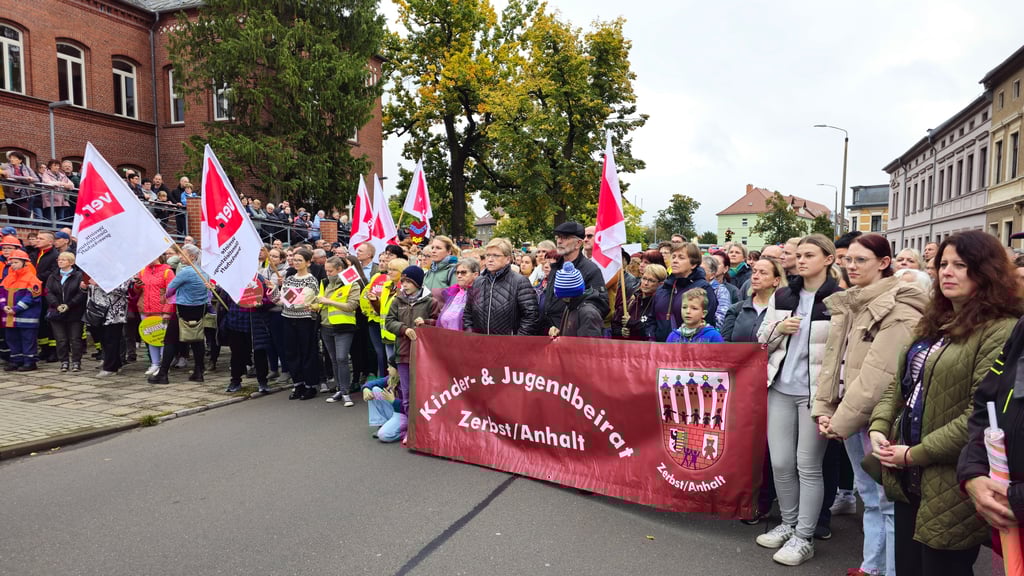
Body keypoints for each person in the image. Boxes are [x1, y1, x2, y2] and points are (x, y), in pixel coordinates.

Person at [869, 230, 1021, 576]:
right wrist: (879, 427)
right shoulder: (936, 319)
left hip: (951, 476)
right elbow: (901, 383)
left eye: (961, 265)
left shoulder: (1002, 328)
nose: (947, 272)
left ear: (987, 271)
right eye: (943, 264)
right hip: (908, 474)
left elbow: (980, 413)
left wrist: (914, 453)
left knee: (942, 566)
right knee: (908, 565)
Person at [814, 233, 928, 576]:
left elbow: (879, 374)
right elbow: (835, 362)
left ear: (884, 263)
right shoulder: (854, 301)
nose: (851, 266)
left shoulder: (900, 307)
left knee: (887, 499)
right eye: (848, 259)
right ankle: (872, 566)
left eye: (861, 260)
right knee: (869, 494)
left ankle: (890, 570)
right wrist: (825, 408)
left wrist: (839, 418)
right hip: (851, 413)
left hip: (879, 418)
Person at [755, 234, 841, 567]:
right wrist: (779, 328)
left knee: (808, 465)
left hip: (815, 396)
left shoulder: (839, 299)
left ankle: (804, 536)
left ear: (828, 259)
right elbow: (762, 339)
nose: (801, 260)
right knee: (780, 463)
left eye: (809, 255)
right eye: (799, 255)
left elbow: (844, 353)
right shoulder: (783, 294)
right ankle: (788, 524)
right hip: (779, 388)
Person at [385, 265, 440, 417]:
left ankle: (424, 427)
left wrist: (426, 322)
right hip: (403, 354)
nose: (404, 285)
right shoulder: (397, 301)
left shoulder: (431, 302)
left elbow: (438, 323)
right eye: (403, 281)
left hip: (424, 356)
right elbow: (389, 322)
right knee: (407, 393)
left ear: (418, 283)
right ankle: (411, 429)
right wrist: (403, 329)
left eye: (408, 282)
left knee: (424, 392)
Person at [149, 245, 209, 384]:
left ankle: (163, 373)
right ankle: (199, 372)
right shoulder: (203, 272)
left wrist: (168, 295)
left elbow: (170, 288)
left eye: (183, 254)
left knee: (170, 340)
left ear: (192, 257)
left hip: (184, 309)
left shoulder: (186, 272)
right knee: (196, 340)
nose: (180, 256)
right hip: (199, 309)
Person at [540, 222, 609, 335]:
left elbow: (601, 305)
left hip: (572, 336)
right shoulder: (556, 267)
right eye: (558, 237)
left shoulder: (591, 270)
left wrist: (567, 325)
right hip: (548, 334)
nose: (559, 241)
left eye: (565, 237)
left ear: (578, 243)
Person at [463, 238, 539, 336]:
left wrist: (516, 341)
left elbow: (531, 317)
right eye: (488, 255)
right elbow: (468, 313)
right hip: (480, 344)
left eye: (496, 255)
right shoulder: (478, 281)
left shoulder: (520, 282)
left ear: (508, 259)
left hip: (508, 347)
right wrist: (471, 335)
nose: (490, 259)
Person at [275, 248, 321, 400]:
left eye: (300, 260)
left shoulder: (311, 280)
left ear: (308, 262)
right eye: (294, 260)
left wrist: (290, 299)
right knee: (291, 352)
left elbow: (304, 300)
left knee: (307, 351)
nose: (296, 263)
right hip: (288, 318)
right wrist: (273, 292)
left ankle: (310, 385)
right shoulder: (289, 279)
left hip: (305, 320)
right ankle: (298, 384)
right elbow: (282, 300)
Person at [320, 256, 363, 406]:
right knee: (333, 359)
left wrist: (329, 301)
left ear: (339, 269)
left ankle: (346, 392)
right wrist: (312, 305)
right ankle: (339, 389)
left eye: (330, 271)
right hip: (326, 326)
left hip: (343, 327)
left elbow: (352, 306)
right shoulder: (324, 283)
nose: (327, 274)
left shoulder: (352, 284)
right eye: (326, 270)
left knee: (342, 358)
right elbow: (320, 303)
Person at [220, 276, 273, 395]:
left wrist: (262, 302)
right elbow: (224, 298)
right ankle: (235, 381)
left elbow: (270, 298)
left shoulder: (260, 279)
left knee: (259, 353)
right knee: (237, 354)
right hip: (236, 321)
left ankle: (263, 382)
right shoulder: (232, 279)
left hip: (255, 322)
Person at [653, 242, 716, 342]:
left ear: (693, 264)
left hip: (689, 350)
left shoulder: (703, 288)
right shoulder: (663, 288)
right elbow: (652, 319)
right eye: (673, 257)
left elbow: (706, 321)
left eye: (681, 257)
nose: (675, 261)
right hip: (660, 350)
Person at [0, 250, 41, 371]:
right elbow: (1, 293)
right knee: (12, 339)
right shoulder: (8, 278)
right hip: (9, 317)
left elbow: (32, 297)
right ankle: (16, 360)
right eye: (11, 263)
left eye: (16, 262)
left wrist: (16, 309)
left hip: (27, 316)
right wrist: (3, 306)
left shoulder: (32, 278)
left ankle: (30, 362)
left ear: (24, 263)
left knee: (28, 340)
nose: (13, 265)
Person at [45, 251, 86, 372]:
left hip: (74, 312)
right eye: (59, 259)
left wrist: (69, 305)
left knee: (75, 338)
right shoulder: (53, 276)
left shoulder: (78, 276)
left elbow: (81, 293)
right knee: (61, 339)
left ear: (71, 262)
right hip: (56, 312)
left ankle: (76, 362)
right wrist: (57, 305)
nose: (60, 261)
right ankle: (64, 361)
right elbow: (48, 292)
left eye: (63, 259)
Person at [138, 256, 175, 377]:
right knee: (150, 338)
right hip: (146, 310)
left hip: (161, 311)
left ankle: (164, 365)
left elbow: (172, 293)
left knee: (163, 339)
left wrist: (167, 310)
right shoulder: (143, 271)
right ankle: (154, 363)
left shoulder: (167, 272)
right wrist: (136, 285)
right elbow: (138, 291)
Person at [547, 262, 603, 338]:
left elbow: (589, 347)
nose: (560, 298)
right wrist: (559, 333)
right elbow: (572, 334)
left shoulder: (588, 314)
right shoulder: (571, 305)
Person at [612, 263, 666, 341]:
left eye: (651, 280)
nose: (646, 283)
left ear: (660, 284)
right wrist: (621, 331)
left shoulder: (660, 304)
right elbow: (615, 323)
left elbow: (657, 332)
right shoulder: (632, 300)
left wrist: (632, 323)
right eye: (644, 278)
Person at [438, 258, 479, 331]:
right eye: (457, 273)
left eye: (463, 272)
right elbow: (444, 319)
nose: (459, 276)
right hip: (445, 338)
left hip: (465, 339)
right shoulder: (452, 293)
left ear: (475, 275)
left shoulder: (480, 294)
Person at [701, 255, 731, 328]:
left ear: (712, 275)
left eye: (701, 270)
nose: (698, 272)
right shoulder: (691, 287)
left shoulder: (721, 291)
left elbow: (721, 319)